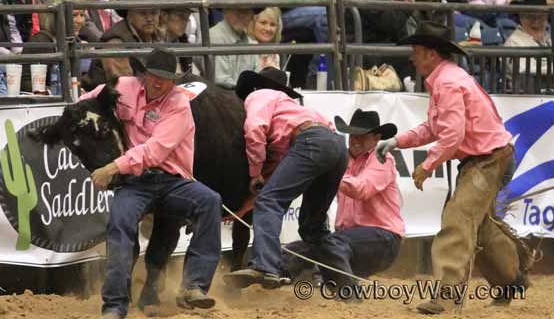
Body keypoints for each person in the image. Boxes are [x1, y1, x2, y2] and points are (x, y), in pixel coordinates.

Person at [376, 21, 537, 315]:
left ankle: (446, 297)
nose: (412, 57)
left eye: (416, 51)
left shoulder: (447, 83)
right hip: (490, 158)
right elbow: (436, 128)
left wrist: (427, 165)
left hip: (487, 159)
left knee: (457, 217)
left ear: (431, 54)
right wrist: (398, 141)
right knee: (478, 225)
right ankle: (511, 280)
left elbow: (452, 135)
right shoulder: (448, 79)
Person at [83, 48, 221, 319]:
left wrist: (111, 167)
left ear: (173, 81)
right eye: (154, 75)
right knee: (120, 222)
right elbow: (85, 102)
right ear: (144, 74)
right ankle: (114, 305)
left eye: (166, 78)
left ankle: (194, 286)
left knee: (210, 201)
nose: (159, 82)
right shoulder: (123, 86)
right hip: (135, 181)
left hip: (172, 180)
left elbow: (155, 150)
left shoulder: (179, 104)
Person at [223, 67, 348, 289]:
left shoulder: (259, 95)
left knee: (270, 202)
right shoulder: (294, 109)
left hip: (311, 141)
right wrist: (239, 212)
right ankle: (347, 286)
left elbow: (254, 129)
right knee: (313, 227)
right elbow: (272, 185)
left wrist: (254, 172)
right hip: (336, 146)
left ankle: (265, 266)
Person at [282, 109, 404, 294]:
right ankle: (274, 274)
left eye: (361, 136)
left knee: (331, 244)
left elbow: (362, 189)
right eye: (352, 135)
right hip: (350, 240)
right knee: (300, 248)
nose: (354, 139)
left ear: (376, 138)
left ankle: (348, 293)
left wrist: (329, 174)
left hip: (384, 239)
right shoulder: (341, 158)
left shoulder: (383, 159)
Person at [86, 0, 163, 89]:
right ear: (129, 15)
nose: (149, 18)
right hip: (109, 102)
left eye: (154, 13)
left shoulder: (157, 35)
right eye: (143, 13)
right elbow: (124, 88)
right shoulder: (115, 43)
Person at [349, 0, 411, 80]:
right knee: (414, 58)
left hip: (376, 50)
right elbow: (391, 24)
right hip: (365, 54)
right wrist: (408, 1)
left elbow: (399, 32)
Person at [21, 0, 86, 93]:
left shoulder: (74, 41)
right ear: (55, 16)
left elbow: (75, 78)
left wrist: (78, 90)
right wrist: (51, 92)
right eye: (74, 15)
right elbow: (24, 82)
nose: (79, 21)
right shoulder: (41, 42)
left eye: (82, 15)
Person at [209, 0, 259, 88]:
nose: (241, 15)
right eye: (236, 10)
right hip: (220, 97)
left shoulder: (251, 43)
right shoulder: (214, 37)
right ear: (225, 11)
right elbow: (220, 81)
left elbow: (256, 76)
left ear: (252, 16)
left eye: (246, 12)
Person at [504, 0, 551, 93]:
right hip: (524, 97)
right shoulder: (513, 42)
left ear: (546, 17)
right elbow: (526, 75)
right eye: (530, 16)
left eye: (540, 16)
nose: (536, 21)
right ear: (521, 16)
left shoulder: (551, 39)